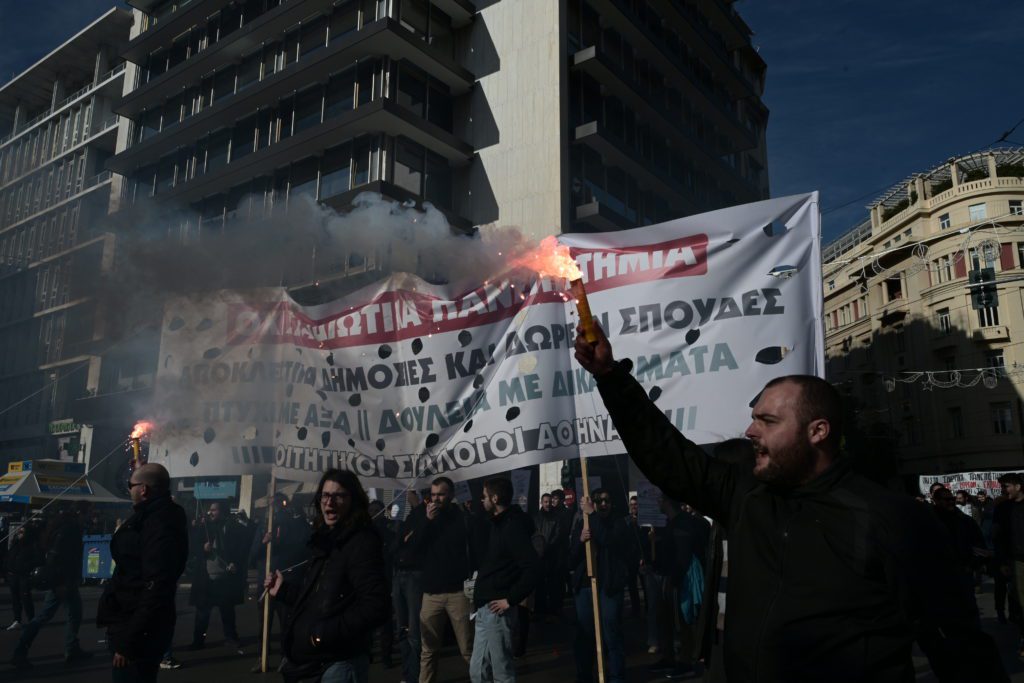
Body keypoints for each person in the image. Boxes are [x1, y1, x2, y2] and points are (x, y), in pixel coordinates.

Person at [574, 325, 1006, 682]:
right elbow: (669, 457)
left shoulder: (893, 519)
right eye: (754, 418)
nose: (749, 431)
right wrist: (610, 376)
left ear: (817, 431)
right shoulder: (747, 495)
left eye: (767, 420)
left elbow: (959, 648)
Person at [265, 469, 389, 683]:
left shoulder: (361, 542)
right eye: (325, 495)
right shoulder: (325, 541)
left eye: (338, 496)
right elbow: (319, 600)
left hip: (336, 665)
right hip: (309, 665)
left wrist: (322, 634)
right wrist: (284, 591)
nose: (329, 502)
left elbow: (376, 606)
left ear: (353, 500)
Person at [97, 464, 188, 683]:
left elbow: (156, 586)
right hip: (133, 620)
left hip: (137, 627)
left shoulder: (159, 522)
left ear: (144, 490)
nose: (129, 490)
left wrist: (129, 641)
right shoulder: (155, 516)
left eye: (131, 485)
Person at [404, 476, 475, 683]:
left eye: (441, 494)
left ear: (451, 495)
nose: (435, 499)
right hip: (431, 593)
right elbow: (413, 549)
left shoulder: (462, 517)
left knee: (467, 649)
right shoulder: (423, 516)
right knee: (428, 651)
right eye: (432, 495)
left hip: (458, 593)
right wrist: (427, 521)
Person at [469, 478, 540, 682]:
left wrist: (510, 599)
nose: (481, 500)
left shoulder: (512, 527)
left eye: (484, 496)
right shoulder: (498, 524)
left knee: (502, 672)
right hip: (484, 608)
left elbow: (533, 568)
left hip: (498, 610)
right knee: (477, 671)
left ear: (495, 498)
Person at [11, 506, 91, 669]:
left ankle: (71, 648)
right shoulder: (70, 529)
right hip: (63, 579)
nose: (89, 517)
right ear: (80, 513)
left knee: (73, 613)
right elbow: (58, 555)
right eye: (88, 513)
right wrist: (61, 582)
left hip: (64, 579)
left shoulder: (62, 528)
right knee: (48, 615)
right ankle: (20, 651)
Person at [569, 488, 635, 683]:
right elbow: (571, 559)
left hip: (608, 585)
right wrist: (580, 540)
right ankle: (584, 675)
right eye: (598, 501)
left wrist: (593, 515)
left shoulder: (619, 523)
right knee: (584, 634)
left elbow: (609, 540)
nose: (603, 504)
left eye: (606, 500)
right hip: (585, 586)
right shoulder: (583, 523)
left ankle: (616, 677)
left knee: (611, 633)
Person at [249, 493, 311, 671]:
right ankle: (262, 658)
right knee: (264, 626)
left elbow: (302, 551)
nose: (273, 508)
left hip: (286, 583)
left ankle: (286, 656)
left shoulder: (295, 526)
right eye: (269, 505)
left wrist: (280, 541)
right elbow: (252, 556)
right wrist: (264, 542)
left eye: (276, 504)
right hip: (265, 583)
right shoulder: (262, 527)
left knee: (286, 623)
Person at [188, 501, 249, 653]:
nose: (210, 513)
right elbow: (193, 547)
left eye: (214, 510)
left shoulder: (232, 527)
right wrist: (203, 548)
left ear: (222, 511)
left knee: (227, 611)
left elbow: (241, 549)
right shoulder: (204, 528)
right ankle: (198, 640)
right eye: (210, 510)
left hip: (225, 578)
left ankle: (231, 638)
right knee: (202, 613)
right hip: (206, 578)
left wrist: (235, 563)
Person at [393, 493, 425, 683]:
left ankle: (413, 677)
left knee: (413, 631)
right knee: (402, 629)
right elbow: (395, 546)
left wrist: (417, 504)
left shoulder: (422, 516)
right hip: (399, 575)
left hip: (414, 576)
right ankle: (408, 674)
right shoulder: (405, 522)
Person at [368, 499, 396, 668]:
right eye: (372, 510)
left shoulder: (388, 528)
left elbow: (393, 548)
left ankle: (386, 655)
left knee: (385, 621)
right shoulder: (364, 529)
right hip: (369, 581)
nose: (374, 513)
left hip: (385, 579)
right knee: (368, 619)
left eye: (377, 510)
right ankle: (369, 651)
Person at [532, 493, 563, 619]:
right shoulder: (536, 518)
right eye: (545, 501)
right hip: (539, 556)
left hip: (551, 555)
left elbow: (557, 535)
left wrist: (547, 547)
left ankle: (553, 609)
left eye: (549, 501)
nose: (548, 504)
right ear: (541, 502)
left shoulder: (557, 518)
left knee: (552, 584)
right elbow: (534, 535)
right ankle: (540, 609)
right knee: (540, 584)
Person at [5, 523, 39, 630]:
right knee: (15, 599)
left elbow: (38, 560)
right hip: (13, 575)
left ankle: (31, 620)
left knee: (25, 598)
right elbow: (9, 557)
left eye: (22, 532)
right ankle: (17, 619)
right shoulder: (15, 544)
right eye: (19, 532)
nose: (19, 534)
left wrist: (26, 566)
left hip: (24, 575)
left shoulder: (32, 545)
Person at [623, 496, 644, 616]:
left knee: (645, 585)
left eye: (635, 504)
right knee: (632, 585)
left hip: (641, 557)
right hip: (630, 557)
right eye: (631, 504)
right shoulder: (627, 520)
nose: (633, 507)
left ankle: (647, 609)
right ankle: (636, 610)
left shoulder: (644, 519)